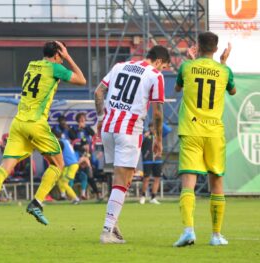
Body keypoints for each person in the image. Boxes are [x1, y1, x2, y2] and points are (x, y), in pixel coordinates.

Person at [0, 40, 86, 234]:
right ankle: (36, 202)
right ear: (57, 55)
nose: (62, 60)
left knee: (5, 167)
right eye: (61, 56)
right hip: (36, 124)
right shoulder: (55, 68)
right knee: (58, 164)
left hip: (18, 123)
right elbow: (81, 80)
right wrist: (68, 57)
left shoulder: (31, 65)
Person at [94, 45, 170, 244]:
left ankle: (113, 224)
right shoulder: (155, 75)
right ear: (160, 62)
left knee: (118, 179)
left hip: (108, 128)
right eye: (164, 67)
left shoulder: (120, 66)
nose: (162, 70)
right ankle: (107, 231)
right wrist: (159, 140)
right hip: (129, 130)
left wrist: (101, 118)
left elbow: (98, 93)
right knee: (123, 181)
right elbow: (158, 112)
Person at [173, 32, 236, 247]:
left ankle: (188, 231)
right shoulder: (224, 70)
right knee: (216, 182)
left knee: (188, 182)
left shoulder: (186, 67)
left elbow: (178, 88)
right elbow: (233, 91)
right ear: (216, 49)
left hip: (191, 129)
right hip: (213, 132)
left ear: (197, 46)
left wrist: (191, 61)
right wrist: (223, 63)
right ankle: (216, 235)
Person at [139, 122, 163, 205]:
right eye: (152, 127)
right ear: (149, 128)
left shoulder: (159, 136)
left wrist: (159, 121)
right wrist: (144, 136)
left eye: (155, 127)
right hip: (147, 159)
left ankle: (153, 197)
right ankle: (142, 196)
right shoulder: (145, 136)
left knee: (157, 178)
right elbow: (138, 142)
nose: (153, 129)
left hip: (158, 159)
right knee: (146, 178)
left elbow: (168, 129)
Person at [54, 131, 80, 204]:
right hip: (69, 165)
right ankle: (63, 195)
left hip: (71, 165)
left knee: (64, 183)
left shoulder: (60, 143)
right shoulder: (65, 141)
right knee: (59, 179)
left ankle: (76, 198)